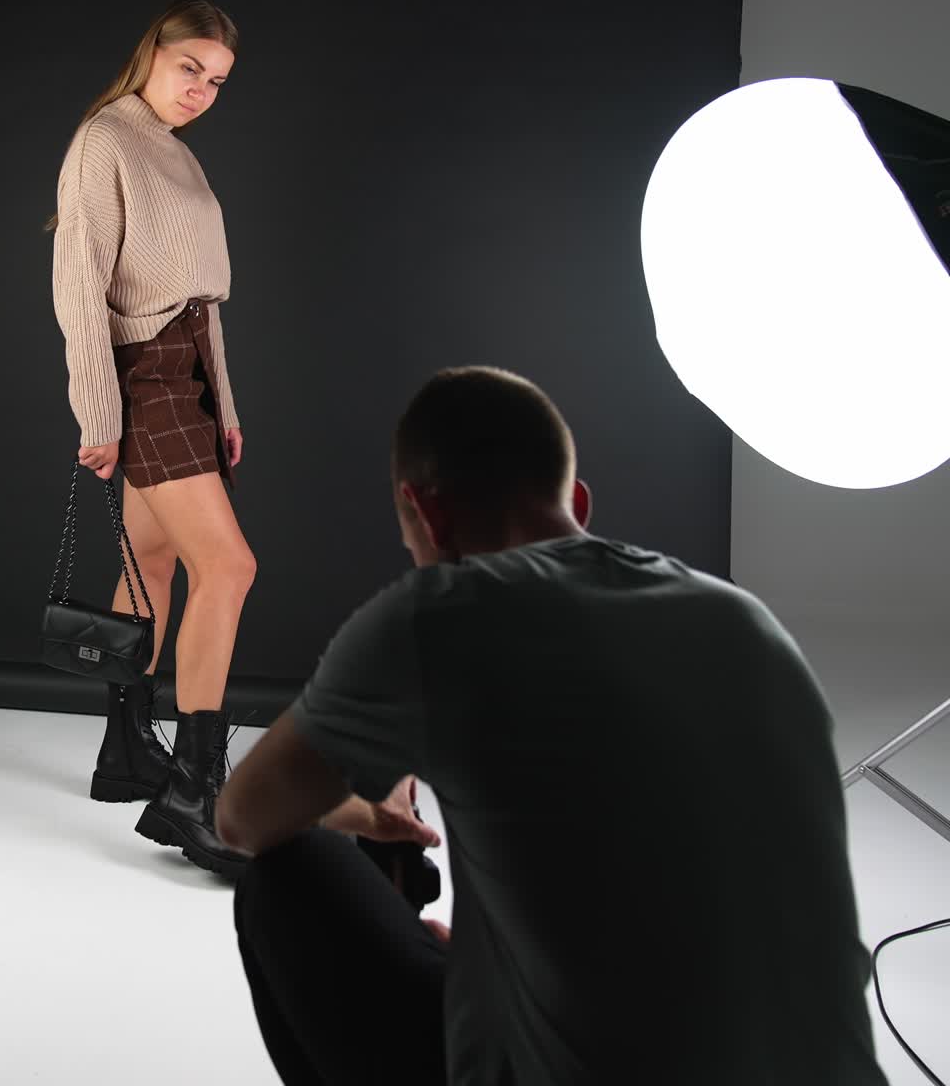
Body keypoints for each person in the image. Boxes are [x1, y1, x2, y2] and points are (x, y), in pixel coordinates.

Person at [216, 366, 887, 1085]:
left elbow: (241, 818)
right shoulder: (749, 623)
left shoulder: (441, 616)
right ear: (580, 503)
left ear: (426, 513)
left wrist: (359, 815)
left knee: (291, 873)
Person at [50, 0, 252, 879]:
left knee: (155, 562)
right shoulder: (108, 139)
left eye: (217, 81)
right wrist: (98, 414)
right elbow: (79, 283)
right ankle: (194, 796)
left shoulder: (177, 153)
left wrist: (228, 408)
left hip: (190, 375)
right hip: (147, 378)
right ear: (154, 54)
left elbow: (202, 301)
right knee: (230, 568)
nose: (202, 90)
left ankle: (127, 753)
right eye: (190, 69)